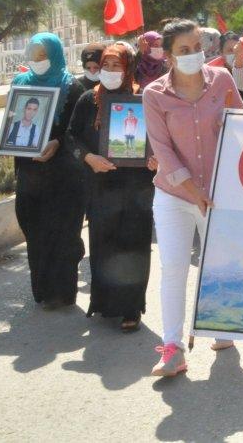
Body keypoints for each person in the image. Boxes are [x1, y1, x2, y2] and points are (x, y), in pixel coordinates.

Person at [144, 18, 243, 378]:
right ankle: (172, 348)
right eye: (183, 50)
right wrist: (193, 191)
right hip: (174, 195)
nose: (192, 55)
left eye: (196, 48)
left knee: (218, 264)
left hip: (219, 193)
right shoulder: (155, 94)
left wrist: (229, 127)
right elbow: (164, 152)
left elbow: (242, 127)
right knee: (173, 267)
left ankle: (219, 326)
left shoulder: (222, 80)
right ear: (169, 56)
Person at [65, 43, 154, 331]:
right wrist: (89, 158)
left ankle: (131, 308)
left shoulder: (144, 99)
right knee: (104, 246)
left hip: (137, 189)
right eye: (106, 66)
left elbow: (161, 136)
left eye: (117, 66)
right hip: (101, 186)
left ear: (128, 68)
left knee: (134, 246)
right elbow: (70, 137)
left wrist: (156, 157)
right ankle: (104, 303)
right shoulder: (89, 100)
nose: (110, 72)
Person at [9, 33, 84, 310]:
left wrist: (58, 142)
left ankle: (62, 293)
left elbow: (77, 131)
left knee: (63, 231)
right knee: (36, 230)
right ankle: (42, 289)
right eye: (33, 55)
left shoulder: (71, 88)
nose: (37, 61)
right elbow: (12, 121)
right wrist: (4, 139)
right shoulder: (20, 83)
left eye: (42, 56)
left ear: (54, 55)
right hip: (29, 174)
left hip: (63, 174)